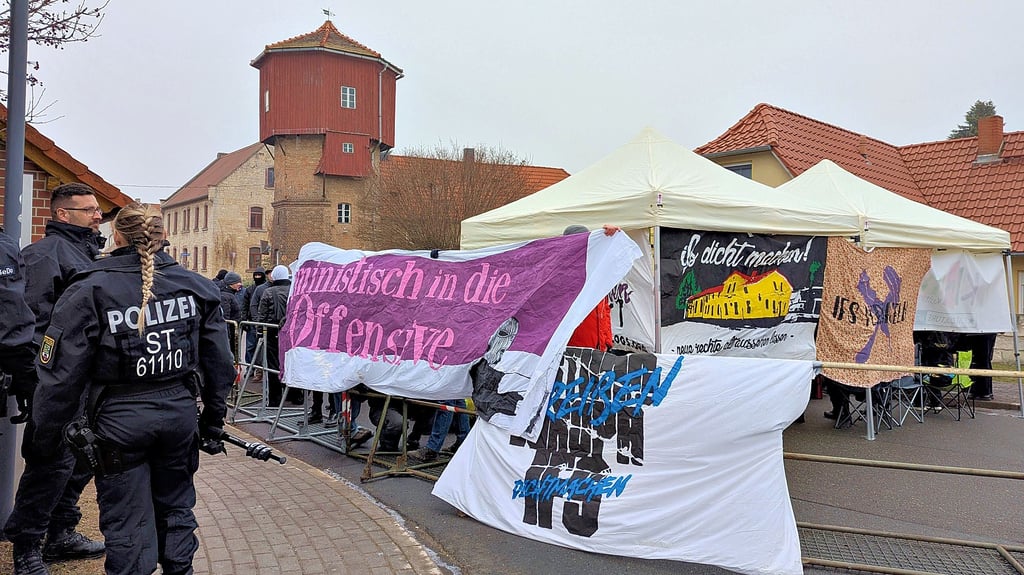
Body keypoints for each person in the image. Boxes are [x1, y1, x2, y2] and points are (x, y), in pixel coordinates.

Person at [30, 202, 235, 575]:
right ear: (164, 238)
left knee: (127, 520)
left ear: (117, 236)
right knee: (175, 507)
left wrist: (45, 438)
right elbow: (221, 365)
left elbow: (60, 376)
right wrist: (213, 421)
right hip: (177, 416)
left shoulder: (91, 288)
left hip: (118, 424)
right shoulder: (197, 287)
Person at [5, 183, 107, 574]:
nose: (98, 216)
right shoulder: (44, 257)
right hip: (56, 383)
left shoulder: (88, 254)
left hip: (88, 381)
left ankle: (61, 533)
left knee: (82, 461)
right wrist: (37, 381)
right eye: (90, 211)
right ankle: (26, 549)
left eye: (98, 210)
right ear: (63, 214)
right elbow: (30, 324)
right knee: (49, 465)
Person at [562, 224, 620, 351]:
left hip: (598, 348)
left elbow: (604, 309)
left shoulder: (596, 269)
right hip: (572, 349)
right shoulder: (562, 272)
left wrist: (607, 340)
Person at [257, 264, 298, 407]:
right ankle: (296, 396)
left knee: (273, 365)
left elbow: (262, 315)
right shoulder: (295, 290)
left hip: (273, 331)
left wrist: (259, 330)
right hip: (293, 332)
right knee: (292, 362)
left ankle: (275, 399)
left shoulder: (268, 292)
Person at [240, 266, 267, 366]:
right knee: (250, 346)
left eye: (259, 275)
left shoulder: (266, 288)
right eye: (256, 275)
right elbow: (245, 305)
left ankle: (260, 368)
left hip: (263, 321)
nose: (257, 277)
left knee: (262, 347)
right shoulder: (250, 289)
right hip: (252, 322)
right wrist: (244, 320)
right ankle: (249, 367)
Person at [219, 271, 243, 356]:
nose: (240, 284)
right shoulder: (225, 297)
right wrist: (227, 336)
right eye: (238, 282)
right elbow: (226, 317)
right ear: (231, 283)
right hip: (231, 332)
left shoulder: (230, 294)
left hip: (233, 330)